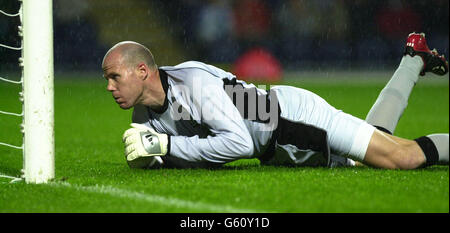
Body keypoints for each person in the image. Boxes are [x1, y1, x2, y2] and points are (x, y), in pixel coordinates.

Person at [101, 32, 449, 170]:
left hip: (293, 118)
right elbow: (158, 158)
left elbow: (236, 143)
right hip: (280, 145)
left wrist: (166, 145)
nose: (109, 87)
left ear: (143, 71)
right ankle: (413, 58)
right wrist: (149, 156)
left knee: (401, 158)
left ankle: (412, 60)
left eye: (114, 76)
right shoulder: (144, 112)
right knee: (375, 141)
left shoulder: (193, 83)